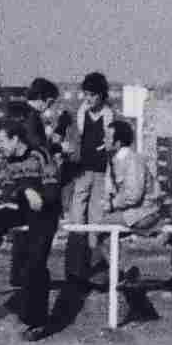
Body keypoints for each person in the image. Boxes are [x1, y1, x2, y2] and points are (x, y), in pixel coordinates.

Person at [0, 111, 60, 336]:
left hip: (45, 212)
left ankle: (37, 322)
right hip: (22, 209)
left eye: (2, 141)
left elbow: (52, 190)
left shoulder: (40, 155)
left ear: (15, 139)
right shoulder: (8, 161)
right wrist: (22, 191)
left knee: (35, 263)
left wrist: (38, 195)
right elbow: (9, 189)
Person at [62, 70, 113, 286]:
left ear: (101, 95)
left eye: (92, 95)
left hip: (101, 175)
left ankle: (97, 274)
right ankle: (74, 272)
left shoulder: (110, 117)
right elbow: (72, 143)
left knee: (96, 223)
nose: (88, 99)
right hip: (81, 174)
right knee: (76, 220)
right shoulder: (79, 116)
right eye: (86, 94)